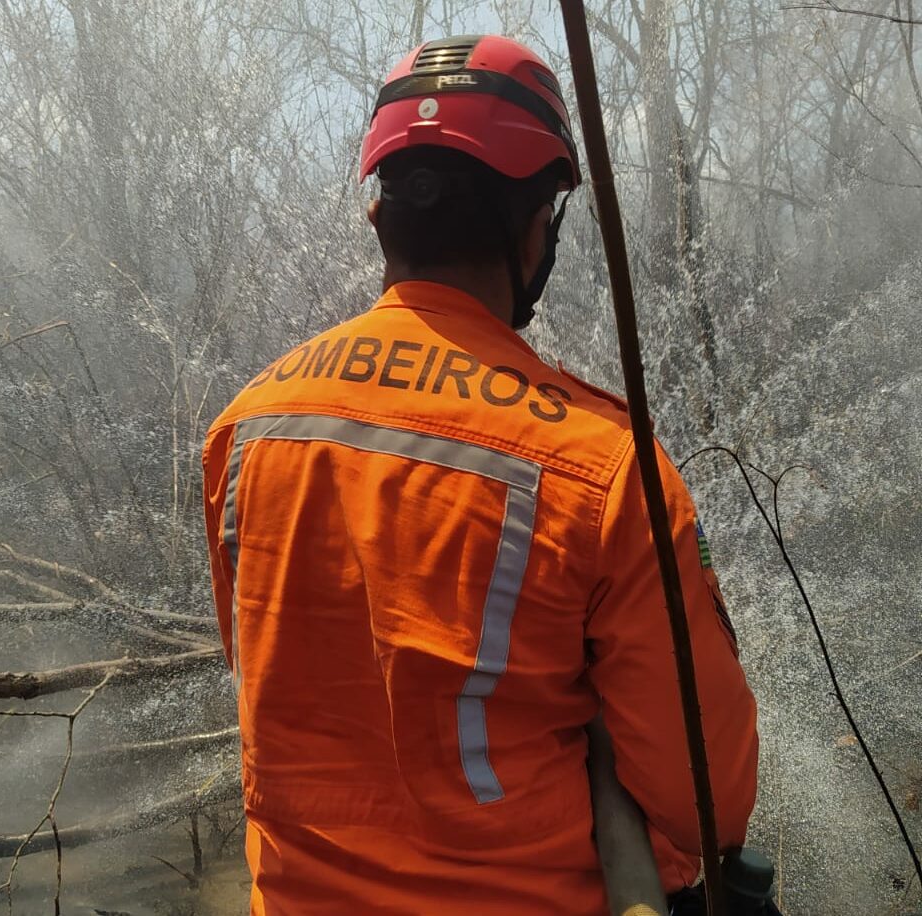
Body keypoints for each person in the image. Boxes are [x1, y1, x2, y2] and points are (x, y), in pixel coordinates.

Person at [201, 33, 759, 916]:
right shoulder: (604, 466)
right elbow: (709, 802)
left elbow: (276, 681)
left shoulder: (247, 428)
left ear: (382, 221)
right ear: (537, 231)